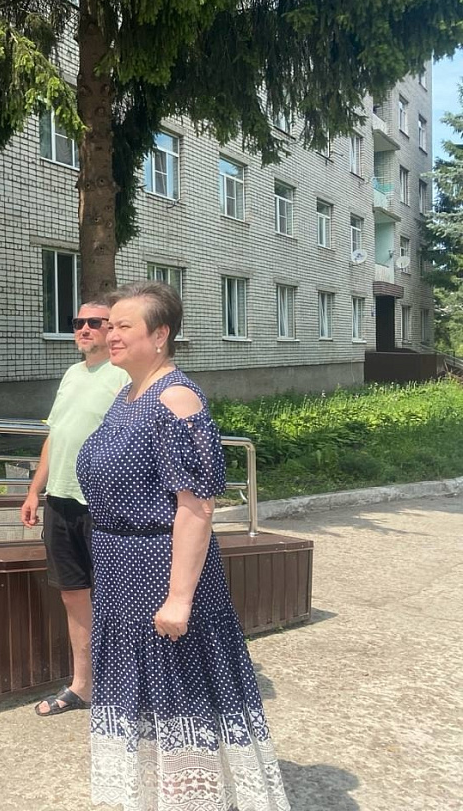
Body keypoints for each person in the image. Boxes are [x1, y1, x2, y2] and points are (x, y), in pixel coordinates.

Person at [76, 280, 289, 809]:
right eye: (109, 325)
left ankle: (194, 799)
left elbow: (196, 508)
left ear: (160, 335)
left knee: (177, 695)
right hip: (120, 571)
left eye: (124, 326)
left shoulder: (175, 398)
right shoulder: (128, 395)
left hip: (158, 570)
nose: (110, 334)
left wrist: (179, 598)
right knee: (143, 697)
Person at [20, 300, 129, 717]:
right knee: (73, 594)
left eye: (94, 323)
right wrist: (35, 491)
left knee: (120, 597)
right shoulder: (71, 374)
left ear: (112, 329)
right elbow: (56, 435)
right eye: (78, 322)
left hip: (104, 503)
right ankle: (83, 686)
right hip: (61, 501)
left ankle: (128, 684)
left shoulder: (123, 376)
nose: (84, 329)